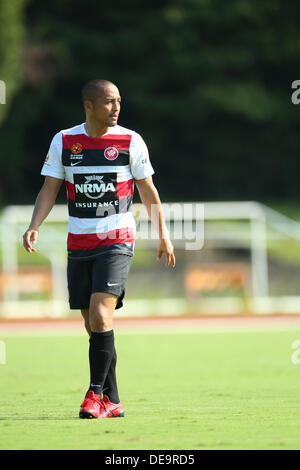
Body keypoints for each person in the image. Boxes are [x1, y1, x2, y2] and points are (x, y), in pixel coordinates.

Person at [23, 79, 175, 419]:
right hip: (78, 243)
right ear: (89, 106)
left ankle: (94, 395)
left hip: (117, 240)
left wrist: (163, 233)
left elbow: (148, 191)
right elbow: (49, 189)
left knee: (102, 315)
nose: (117, 107)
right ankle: (114, 399)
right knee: (95, 326)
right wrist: (34, 225)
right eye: (109, 101)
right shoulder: (64, 141)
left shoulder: (130, 140)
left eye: (119, 100)